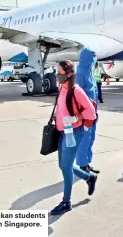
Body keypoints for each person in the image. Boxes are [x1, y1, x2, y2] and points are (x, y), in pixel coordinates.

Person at [51, 60, 98, 216]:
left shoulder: (76, 91)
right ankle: (89, 177)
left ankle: (66, 201)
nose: (57, 76)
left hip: (73, 132)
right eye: (56, 72)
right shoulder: (61, 88)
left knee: (66, 167)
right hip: (60, 131)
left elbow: (91, 113)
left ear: (69, 74)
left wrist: (76, 117)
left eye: (60, 73)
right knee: (63, 165)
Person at [75, 48, 100, 174]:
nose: (94, 59)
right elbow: (79, 94)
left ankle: (87, 162)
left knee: (91, 138)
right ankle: (82, 164)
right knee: (84, 139)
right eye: (93, 56)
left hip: (93, 111)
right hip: (85, 113)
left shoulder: (90, 70)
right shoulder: (80, 71)